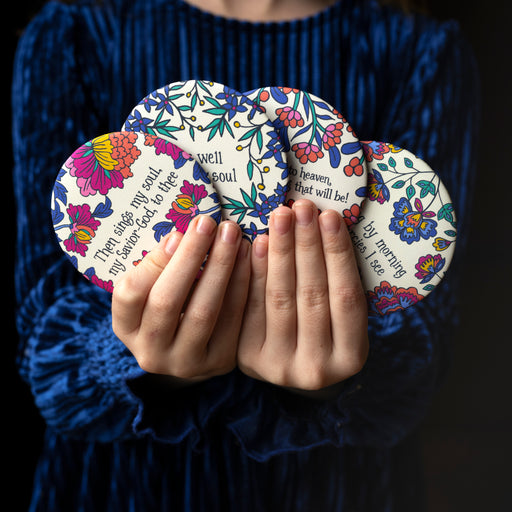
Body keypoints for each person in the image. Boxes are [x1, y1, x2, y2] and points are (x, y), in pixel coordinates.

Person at [12, 0, 479, 510]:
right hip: (123, 488)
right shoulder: (72, 36)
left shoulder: (421, 50)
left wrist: (335, 378)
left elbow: (421, 372)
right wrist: (134, 355)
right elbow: (47, 365)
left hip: (330, 490)